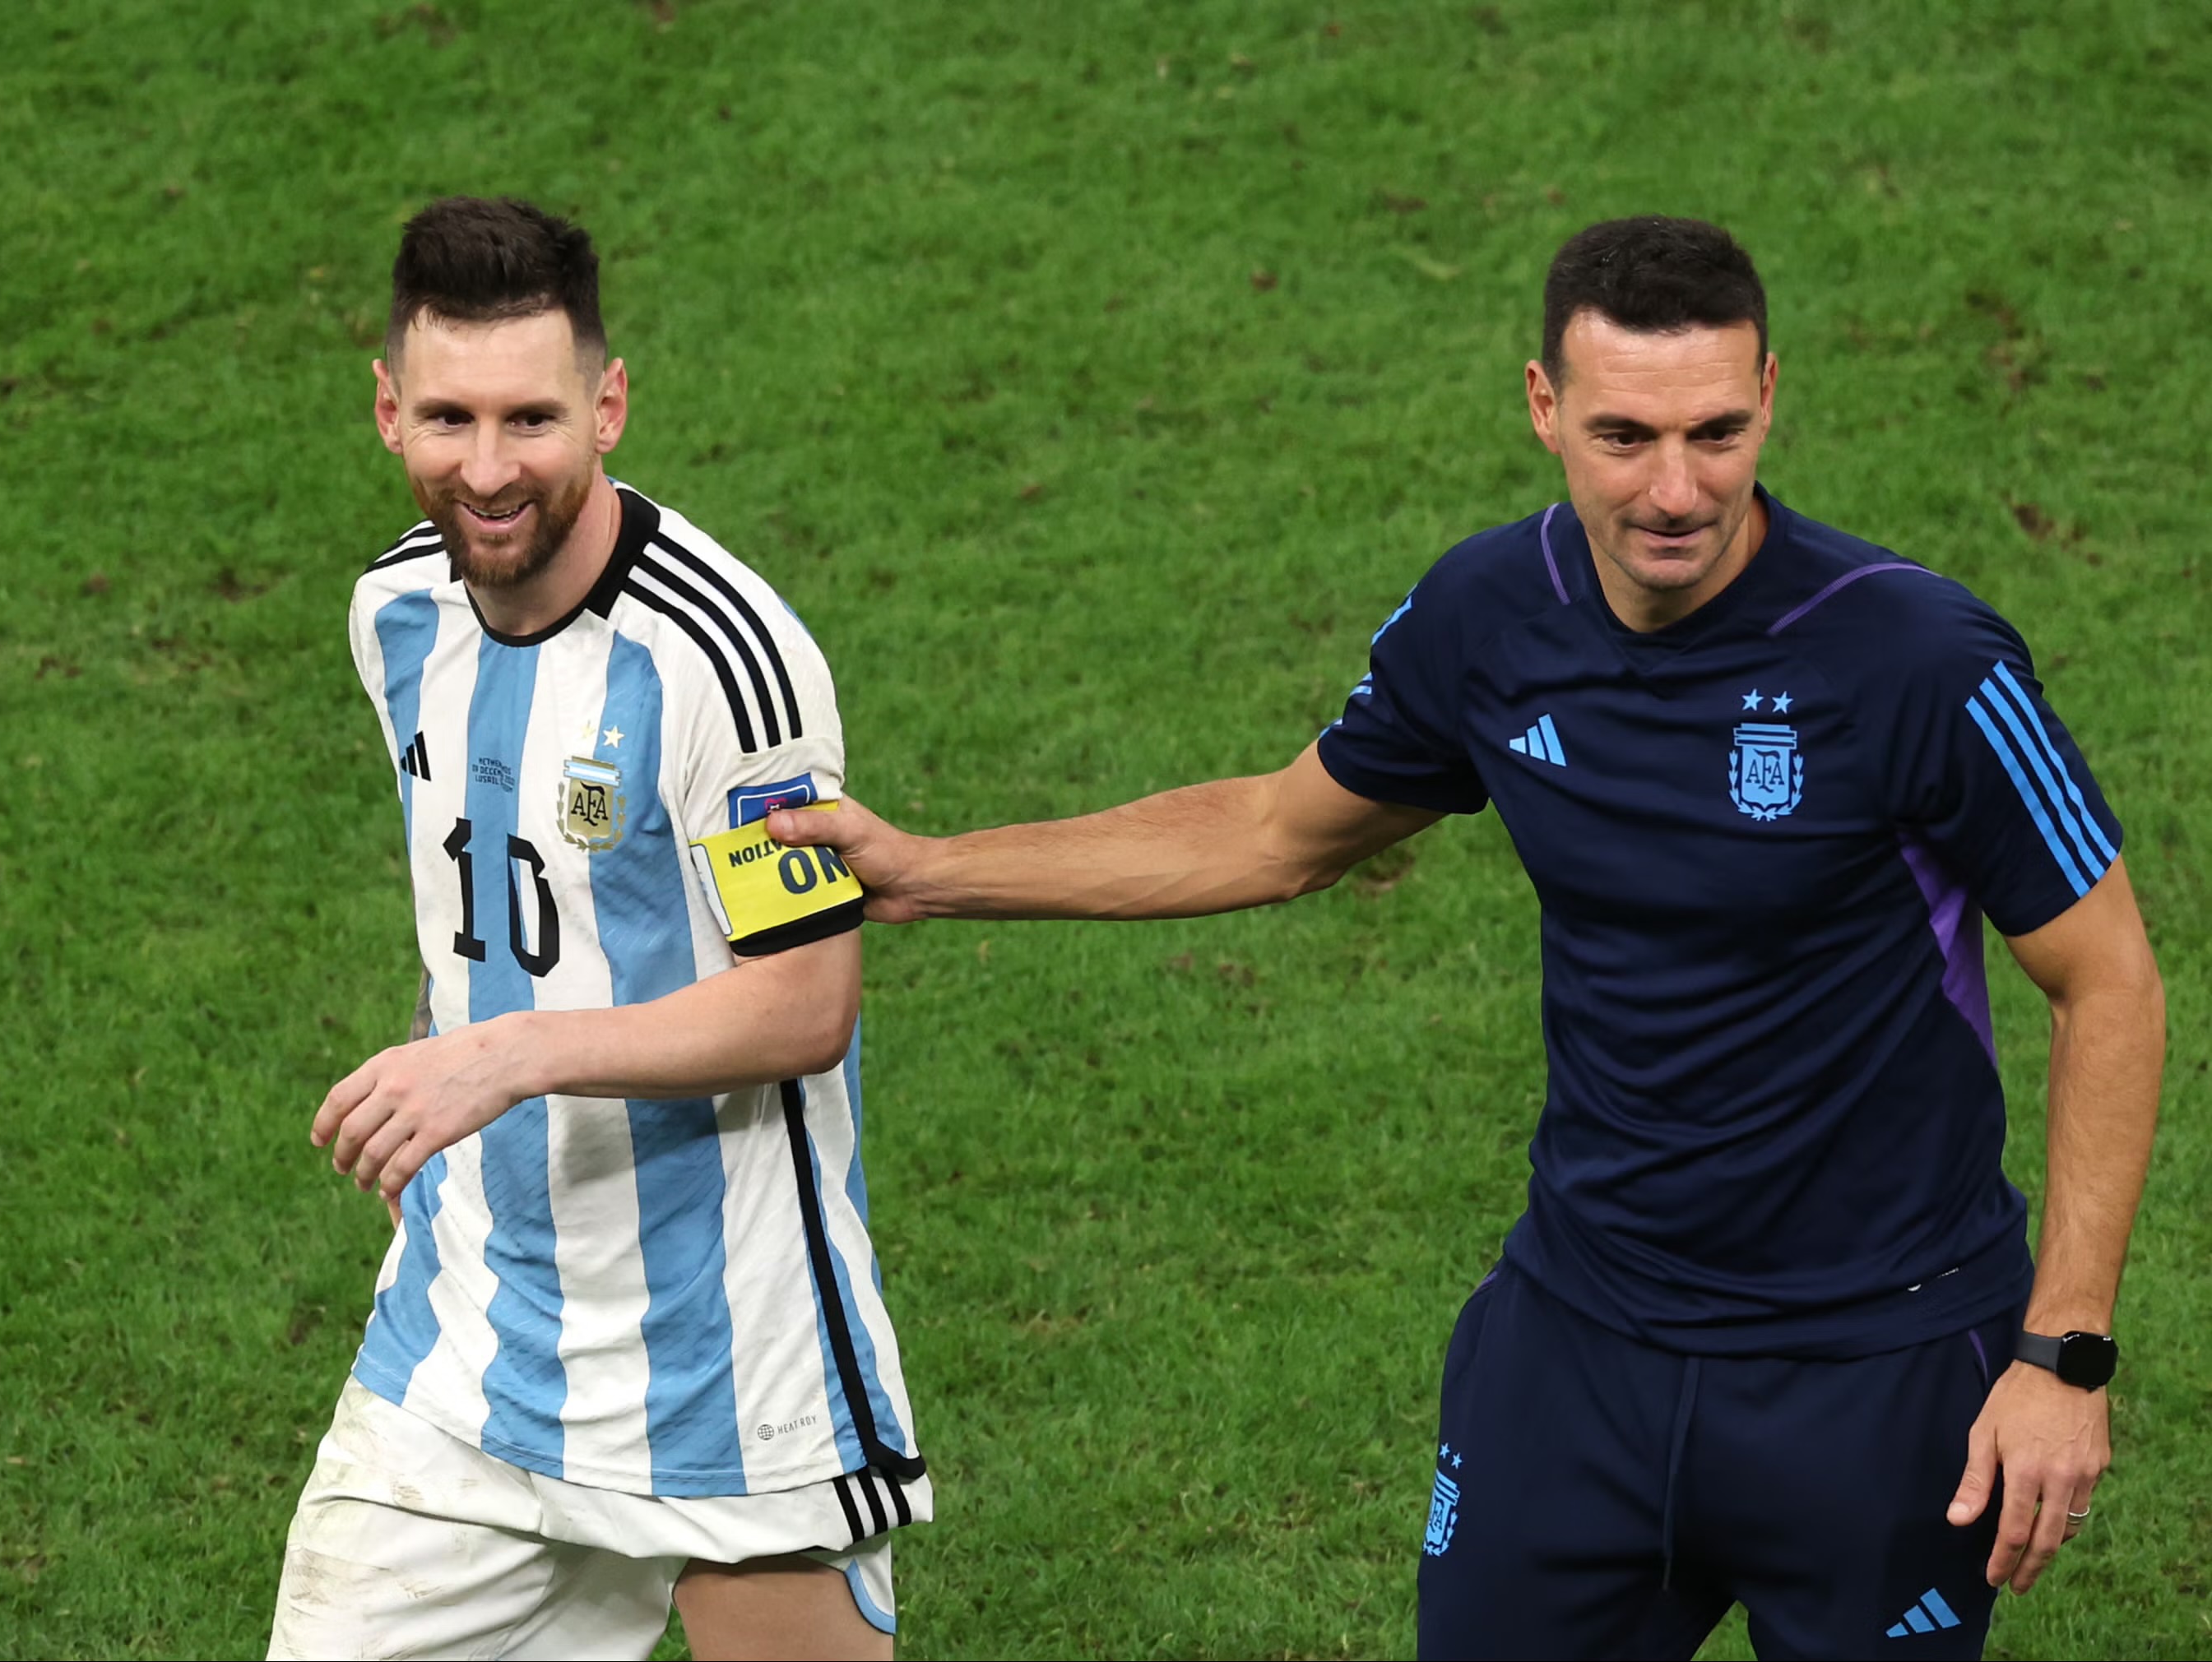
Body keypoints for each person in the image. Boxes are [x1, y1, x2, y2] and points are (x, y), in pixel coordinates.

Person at [764, 217, 2164, 1659]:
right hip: (1582, 1342)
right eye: (1623, 435)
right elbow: (1274, 832)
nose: (1675, 488)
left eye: (1716, 432)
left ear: (1769, 398)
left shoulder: (1921, 660)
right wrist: (930, 871)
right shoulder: (1490, 618)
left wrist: (2065, 1352)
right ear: (1543, 406)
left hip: (1880, 1367)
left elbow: (2106, 977)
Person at [275, 197, 925, 1661]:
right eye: (447, 417)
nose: (488, 470)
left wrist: (505, 1058)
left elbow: (807, 1003)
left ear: (608, 404)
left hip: (722, 1363)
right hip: (467, 1352)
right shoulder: (393, 614)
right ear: (387, 408)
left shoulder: (728, 665)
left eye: (531, 418)